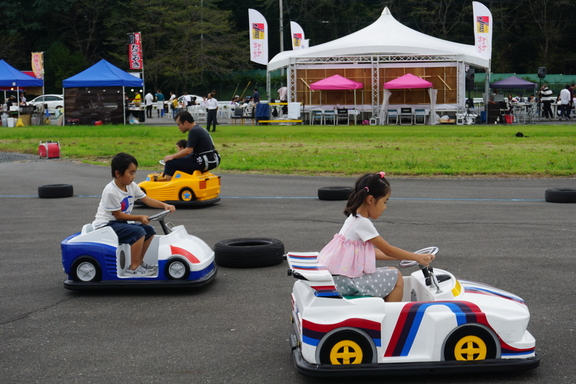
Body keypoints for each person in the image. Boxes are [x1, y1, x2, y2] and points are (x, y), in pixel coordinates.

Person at [318, 172, 435, 302]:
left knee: (391, 271)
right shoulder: (363, 223)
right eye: (384, 202)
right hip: (346, 282)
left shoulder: (353, 218)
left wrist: (411, 256)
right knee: (396, 277)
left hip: (339, 279)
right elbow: (388, 250)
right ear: (370, 200)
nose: (385, 207)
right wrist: (418, 257)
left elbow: (374, 253)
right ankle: (392, 319)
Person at [92, 153, 175, 276]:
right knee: (138, 232)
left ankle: (139, 262)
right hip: (105, 226)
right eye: (131, 173)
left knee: (149, 230)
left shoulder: (131, 186)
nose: (134, 176)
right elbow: (118, 215)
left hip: (119, 224)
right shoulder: (111, 191)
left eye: (134, 172)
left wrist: (164, 205)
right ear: (118, 173)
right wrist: (139, 218)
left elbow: (147, 199)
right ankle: (134, 267)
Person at [163, 111, 220, 181]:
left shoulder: (193, 131)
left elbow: (188, 151)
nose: (178, 127)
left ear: (186, 122)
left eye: (179, 124)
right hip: (211, 159)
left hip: (203, 161)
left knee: (170, 163)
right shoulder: (200, 129)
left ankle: (170, 187)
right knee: (181, 161)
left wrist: (171, 156)